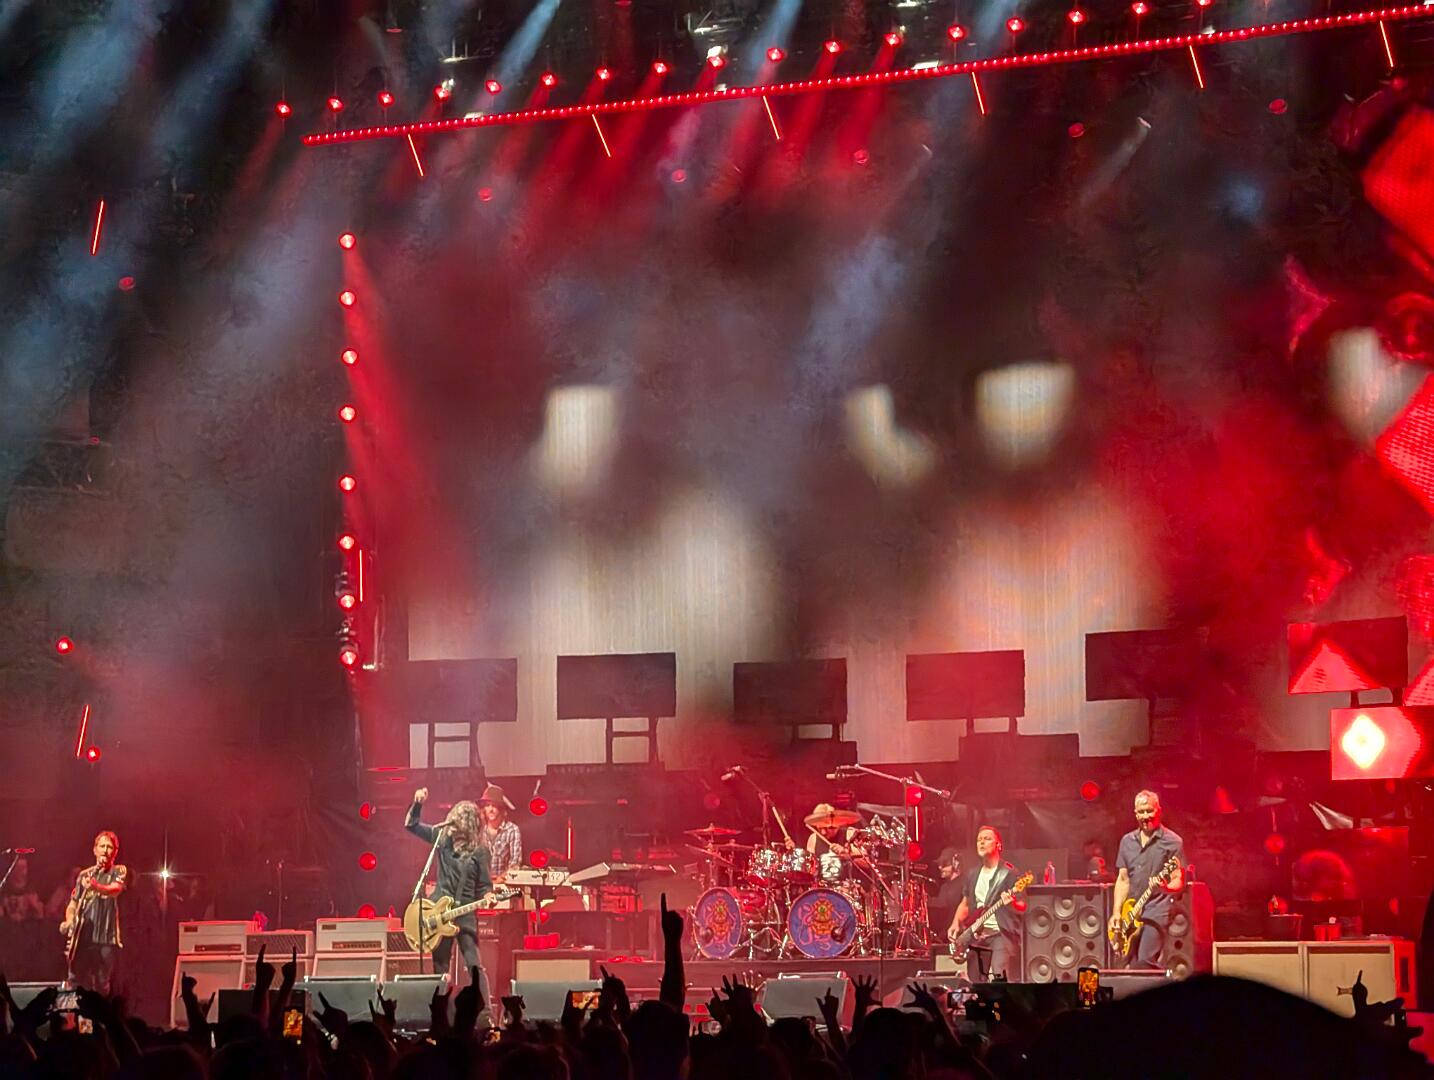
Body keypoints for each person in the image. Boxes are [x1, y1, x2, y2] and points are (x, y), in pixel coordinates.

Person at [406, 787, 493, 1004]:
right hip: (438, 913)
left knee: (474, 965)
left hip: (464, 914)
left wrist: (488, 896)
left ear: (469, 825)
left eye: (458, 822)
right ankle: (441, 1012)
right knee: (440, 966)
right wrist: (417, 804)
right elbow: (411, 825)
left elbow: (484, 885)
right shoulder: (441, 839)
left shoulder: (480, 851)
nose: (453, 826)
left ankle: (484, 1013)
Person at [1110, 789, 1185, 969]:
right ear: (1135, 814)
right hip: (1131, 912)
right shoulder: (1127, 841)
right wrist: (1116, 912)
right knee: (1123, 965)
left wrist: (1166, 886)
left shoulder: (1173, 842)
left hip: (1157, 910)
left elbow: (1178, 879)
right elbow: (1123, 880)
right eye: (1141, 812)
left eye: (1149, 811)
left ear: (1159, 811)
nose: (1145, 816)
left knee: (1144, 962)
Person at [947, 825, 1025, 982]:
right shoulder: (972, 874)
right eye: (979, 840)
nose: (981, 842)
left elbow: (1023, 906)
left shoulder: (1009, 873)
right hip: (976, 935)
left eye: (987, 839)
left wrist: (1012, 903)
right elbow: (966, 903)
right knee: (976, 980)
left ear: (998, 845)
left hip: (1000, 934)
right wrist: (955, 923)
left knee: (999, 977)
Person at [59, 830, 128, 993]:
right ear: (95, 849)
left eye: (109, 847)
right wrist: (69, 920)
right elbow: (73, 903)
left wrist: (95, 886)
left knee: (102, 983)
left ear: (115, 852)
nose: (105, 850)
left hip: (105, 938)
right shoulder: (84, 875)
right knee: (77, 981)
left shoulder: (119, 871)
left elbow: (115, 889)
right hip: (83, 938)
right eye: (102, 846)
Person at [477, 784, 522, 883]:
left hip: (504, 884)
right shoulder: (478, 830)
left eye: (494, 806)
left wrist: (501, 879)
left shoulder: (512, 830)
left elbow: (515, 862)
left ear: (501, 808)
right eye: (487, 806)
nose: (491, 809)